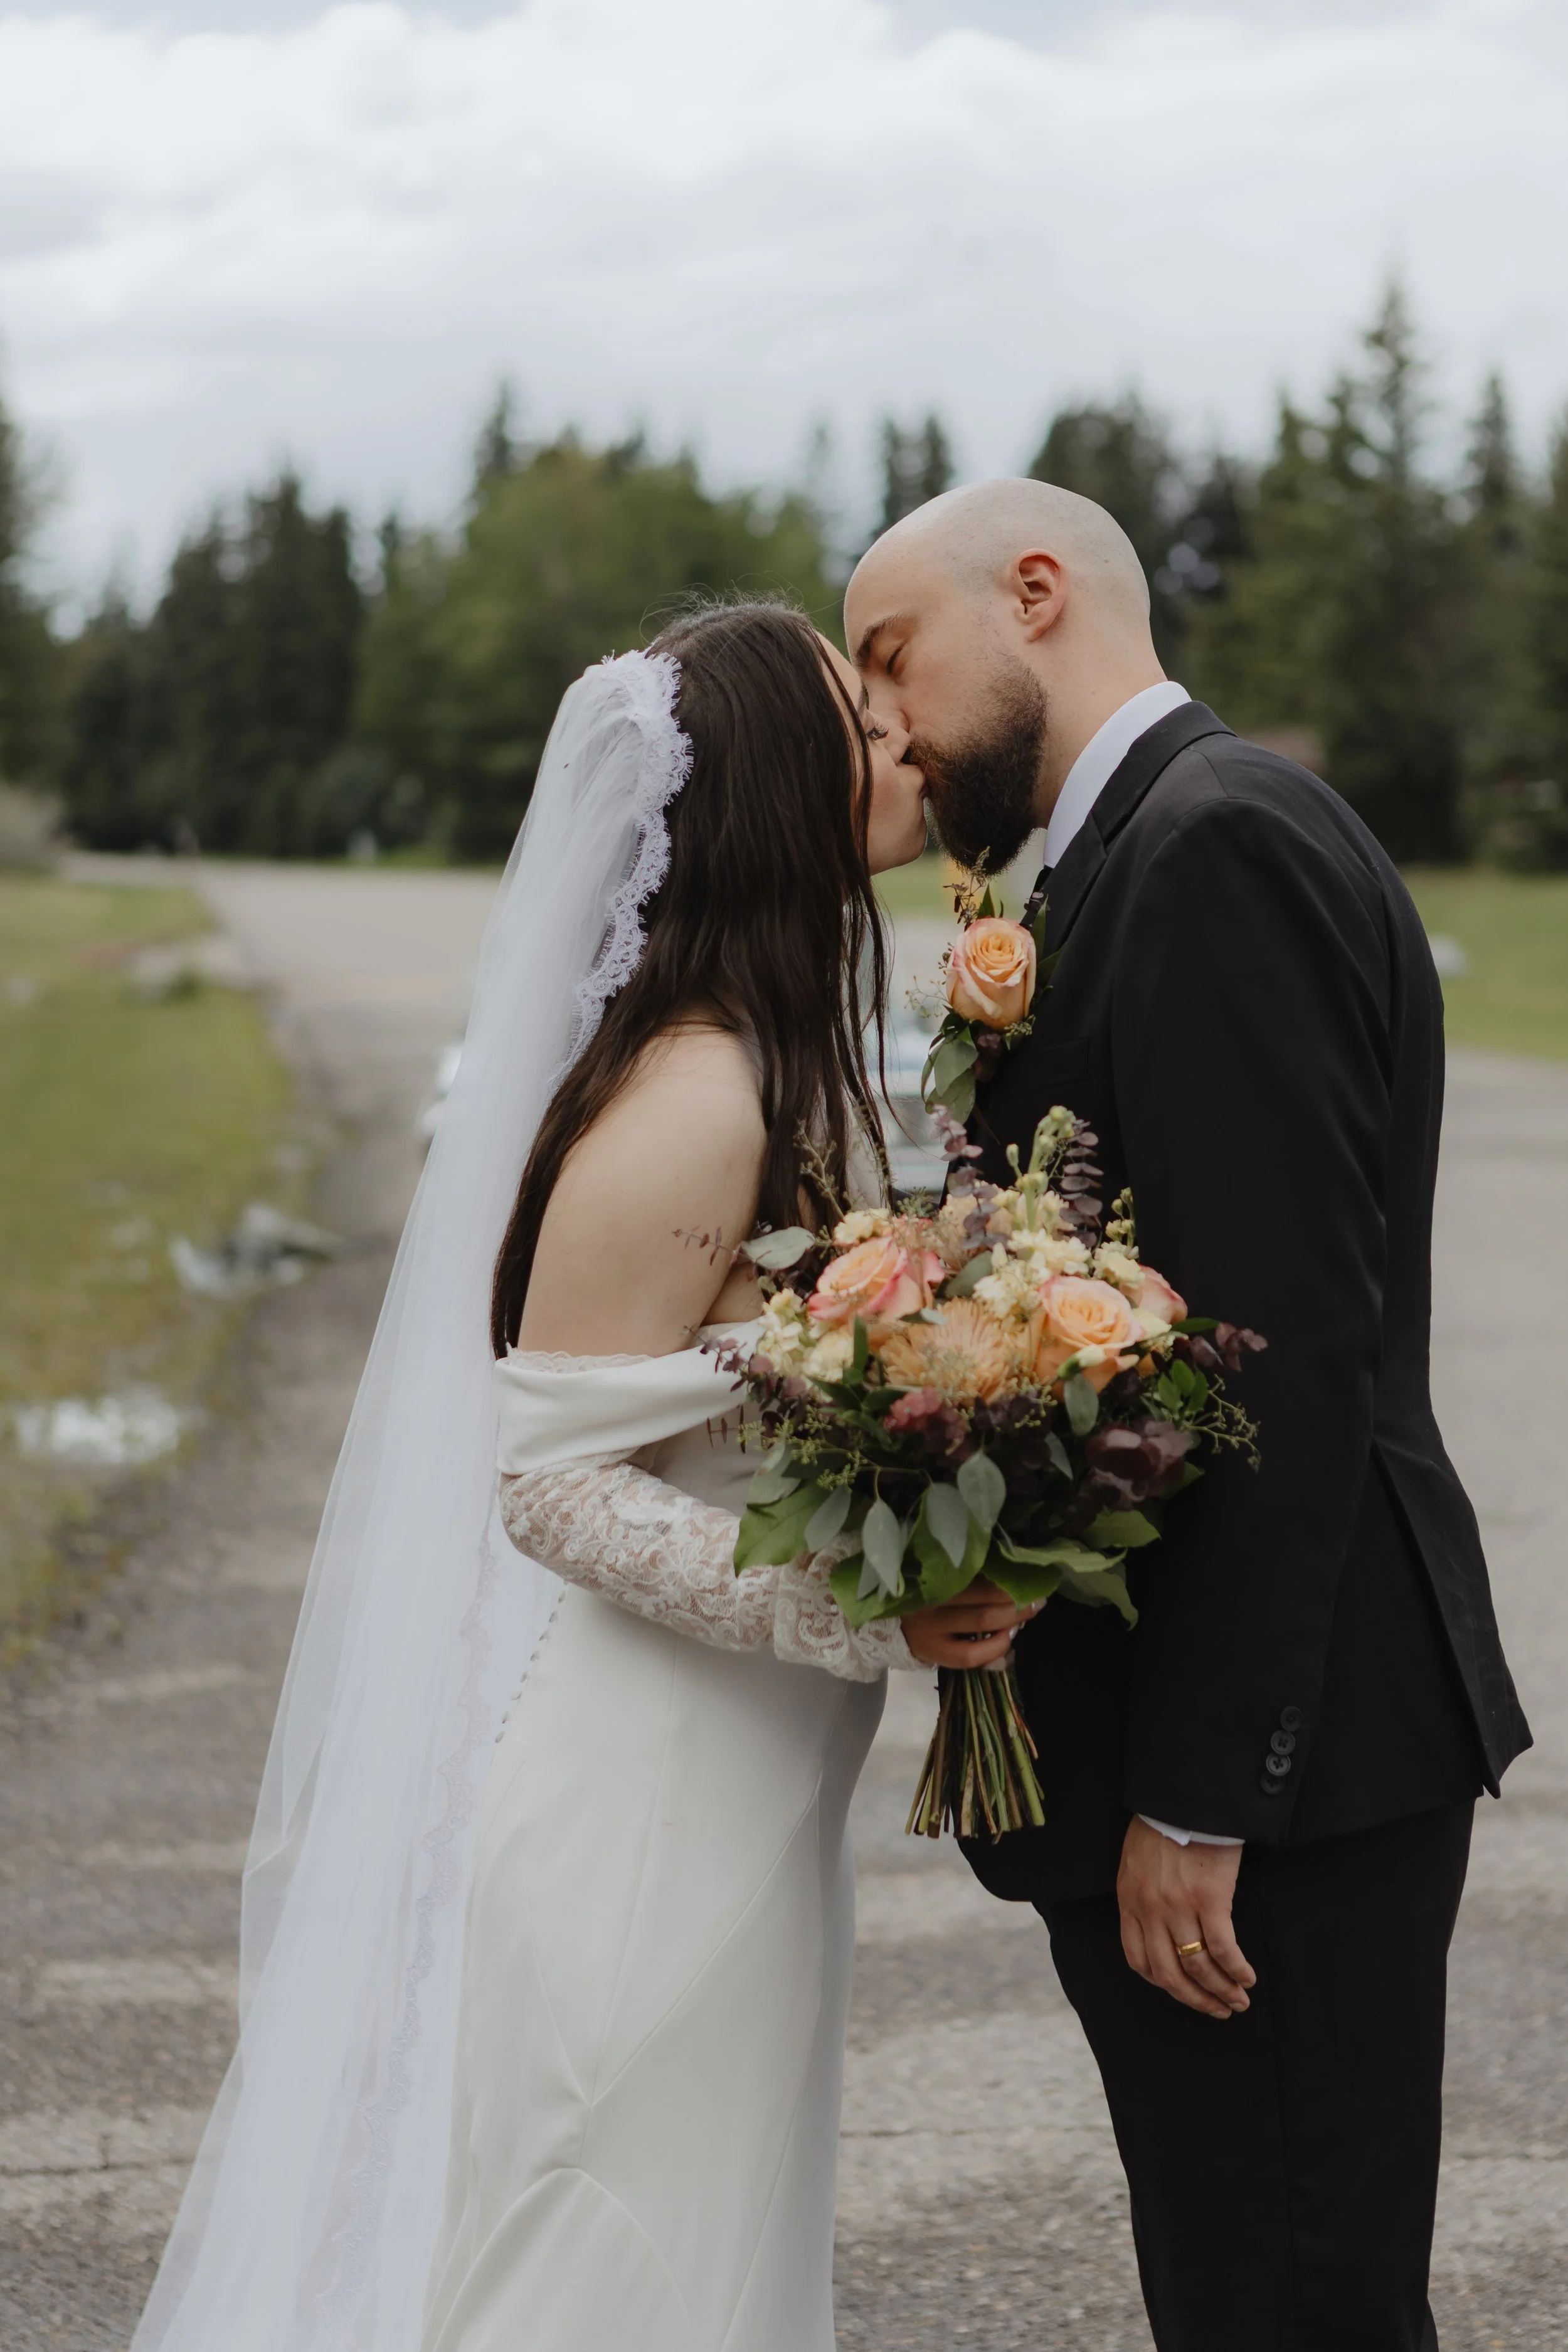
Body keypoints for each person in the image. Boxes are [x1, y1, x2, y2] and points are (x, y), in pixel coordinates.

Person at [128, 598, 1024, 2352]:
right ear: (778, 781)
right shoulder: (695, 1095)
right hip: (639, 1799)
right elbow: (546, 1478)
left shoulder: (772, 1058)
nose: (908, 740)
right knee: (610, 2263)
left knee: (694, 2254)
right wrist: (868, 1614)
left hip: (731, 1787)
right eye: (863, 718)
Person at [849, 480, 1531, 2352]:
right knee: (1243, 2283)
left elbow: (1276, 1352)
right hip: (1239, 1767)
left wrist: (1199, 1793)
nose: (882, 716)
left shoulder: (1211, 843)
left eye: (892, 657)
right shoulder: (1117, 855)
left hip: (1277, 1785)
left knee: (1291, 2299)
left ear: (1039, 594)